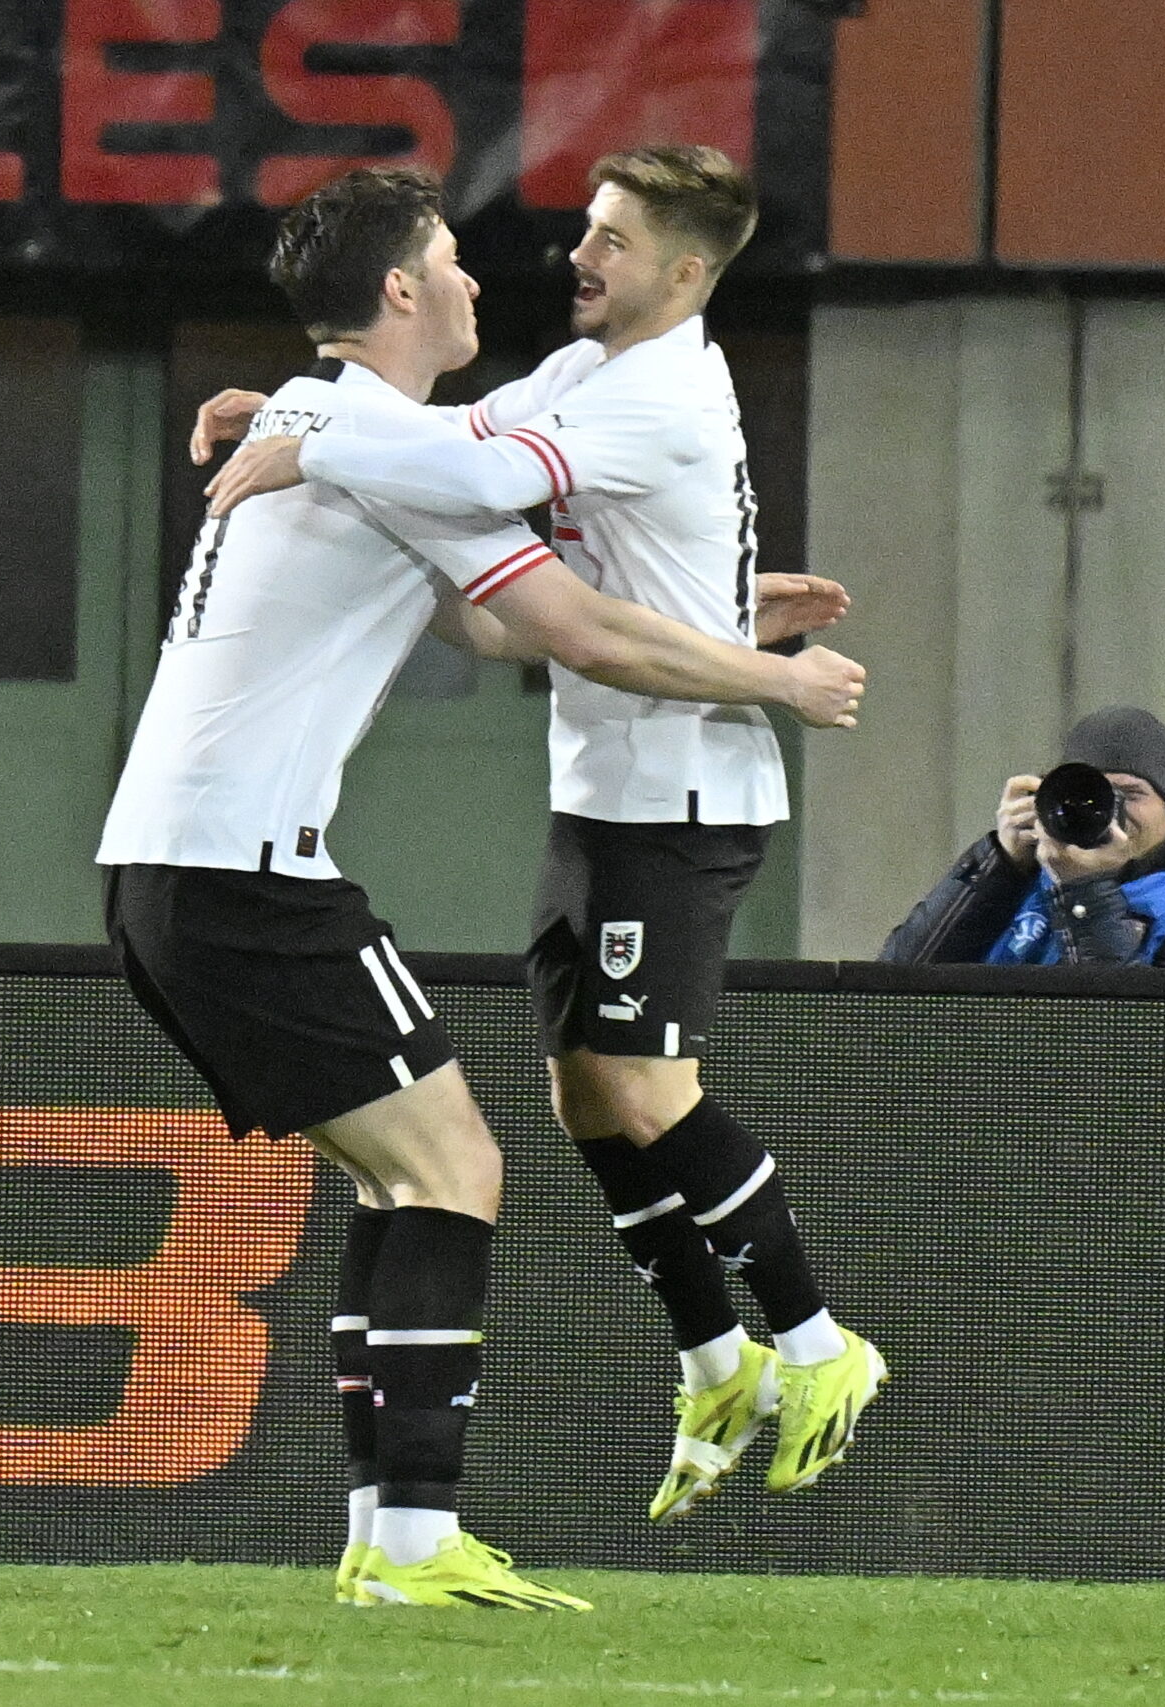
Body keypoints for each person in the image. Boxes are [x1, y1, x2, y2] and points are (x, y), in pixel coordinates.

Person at [106, 166, 864, 1609]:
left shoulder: (342, 428)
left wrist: (724, 605)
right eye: (449, 259)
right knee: (456, 1166)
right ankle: (415, 1535)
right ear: (400, 292)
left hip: (175, 872)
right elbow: (571, 619)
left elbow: (497, 616)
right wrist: (772, 675)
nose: (480, 278)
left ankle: (388, 1537)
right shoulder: (366, 429)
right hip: (241, 875)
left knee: (412, 1170)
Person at [881, 705, 1165, 969]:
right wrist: (998, 866)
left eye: (1131, 794)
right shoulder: (1014, 886)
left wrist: (1083, 892)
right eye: (1095, 796)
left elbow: (1152, 1048)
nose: (1111, 811)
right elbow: (891, 993)